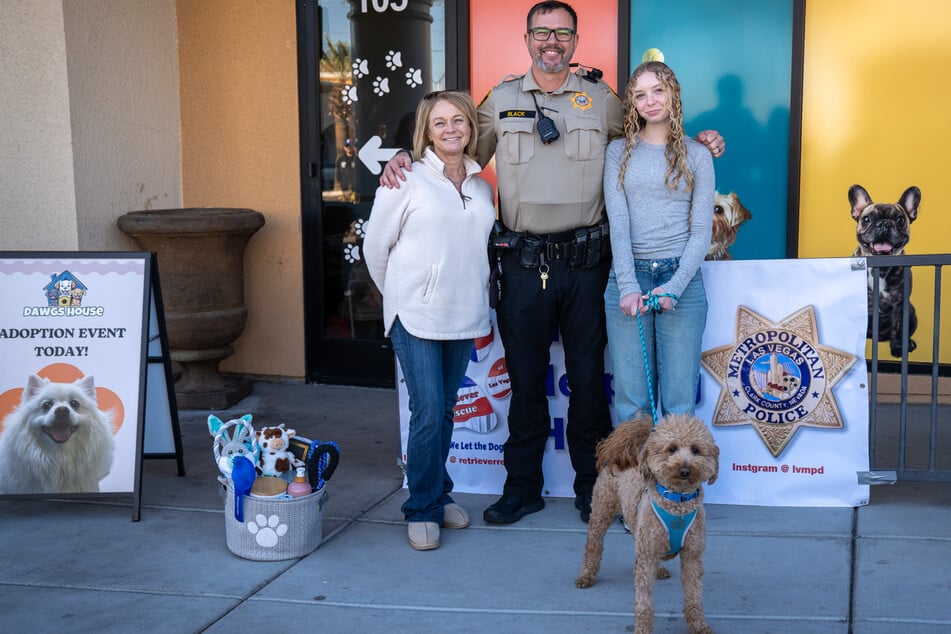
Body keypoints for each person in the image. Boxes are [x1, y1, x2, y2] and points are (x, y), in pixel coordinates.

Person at [381, 1, 724, 525]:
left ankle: (595, 488)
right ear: (527, 38)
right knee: (525, 381)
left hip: (588, 264)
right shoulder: (501, 100)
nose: (552, 42)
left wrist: (701, 141)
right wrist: (404, 157)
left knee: (588, 382)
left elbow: (652, 131)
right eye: (542, 32)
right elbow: (457, 148)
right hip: (522, 265)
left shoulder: (603, 99)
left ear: (574, 40)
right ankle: (522, 488)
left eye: (562, 33)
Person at [363, 91, 496, 550]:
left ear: (471, 128)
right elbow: (374, 249)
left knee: (443, 412)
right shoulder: (406, 180)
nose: (451, 129)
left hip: (464, 315)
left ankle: (437, 495)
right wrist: (402, 298)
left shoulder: (482, 186)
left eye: (459, 120)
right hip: (416, 317)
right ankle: (420, 508)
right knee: (425, 414)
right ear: (426, 131)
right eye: (439, 123)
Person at [604, 61, 715, 423]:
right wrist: (627, 286)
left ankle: (677, 482)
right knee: (631, 402)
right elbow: (618, 222)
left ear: (673, 95)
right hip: (628, 278)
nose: (650, 101)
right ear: (632, 103)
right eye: (640, 94)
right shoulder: (618, 152)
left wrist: (675, 288)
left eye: (658, 91)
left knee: (679, 401)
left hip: (680, 279)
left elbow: (702, 230)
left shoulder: (697, 154)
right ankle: (632, 482)